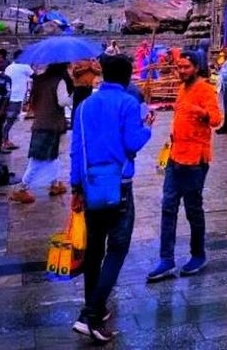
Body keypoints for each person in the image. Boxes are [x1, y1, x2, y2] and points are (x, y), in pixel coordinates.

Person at [70, 55, 154, 343]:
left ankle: (95, 307)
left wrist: (75, 188)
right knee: (117, 249)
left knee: (94, 250)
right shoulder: (129, 104)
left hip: (90, 185)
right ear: (128, 77)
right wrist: (147, 126)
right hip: (119, 186)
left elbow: (75, 150)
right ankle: (91, 313)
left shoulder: (84, 106)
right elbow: (133, 142)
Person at [147, 51, 222, 281]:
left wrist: (202, 112)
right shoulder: (181, 89)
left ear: (196, 68)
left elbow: (217, 120)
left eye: (186, 67)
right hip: (175, 157)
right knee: (168, 207)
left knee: (193, 210)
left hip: (195, 161)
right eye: (179, 67)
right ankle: (166, 260)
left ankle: (198, 254)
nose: (181, 71)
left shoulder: (205, 89)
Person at [10, 63, 73, 203]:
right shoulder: (59, 80)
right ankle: (21, 188)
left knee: (54, 154)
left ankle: (54, 183)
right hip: (51, 124)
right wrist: (73, 96)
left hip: (41, 122)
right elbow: (62, 102)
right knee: (38, 159)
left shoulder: (40, 79)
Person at [1, 49, 32, 152]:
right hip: (16, 98)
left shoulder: (9, 67)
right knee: (10, 120)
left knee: (6, 120)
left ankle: (4, 139)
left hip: (7, 97)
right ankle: (4, 141)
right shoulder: (25, 67)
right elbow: (35, 76)